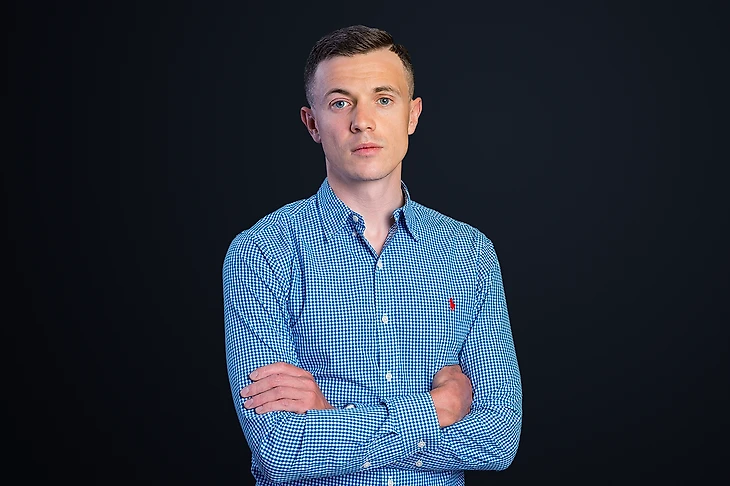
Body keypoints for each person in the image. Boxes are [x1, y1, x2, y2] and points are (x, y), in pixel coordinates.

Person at [223, 25, 522, 485]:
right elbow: (281, 449)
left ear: (411, 115)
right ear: (312, 123)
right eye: (340, 103)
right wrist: (437, 409)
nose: (362, 121)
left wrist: (331, 413)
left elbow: (499, 438)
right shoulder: (261, 253)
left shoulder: (469, 253)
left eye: (383, 99)